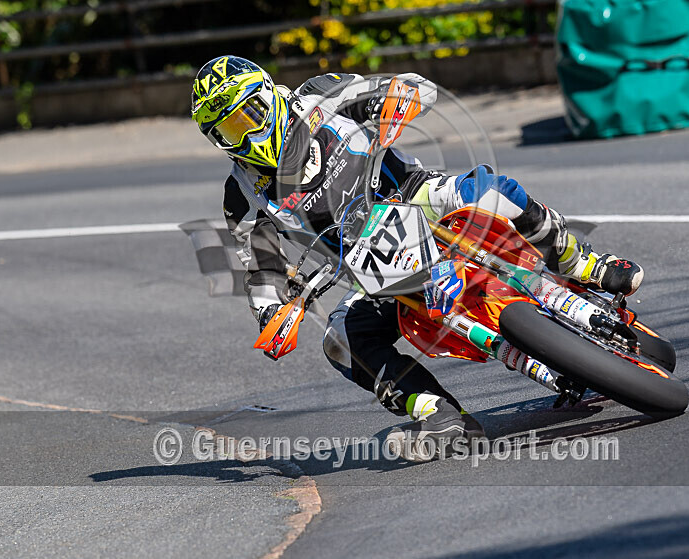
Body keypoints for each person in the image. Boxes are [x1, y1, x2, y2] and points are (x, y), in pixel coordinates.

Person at [191, 55, 644, 458]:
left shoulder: (318, 95)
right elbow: (260, 267)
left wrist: (398, 97)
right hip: (365, 267)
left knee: (491, 192)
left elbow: (396, 87)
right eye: (230, 130)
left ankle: (583, 265)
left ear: (269, 96)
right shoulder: (242, 195)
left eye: (249, 114)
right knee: (339, 340)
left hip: (413, 196)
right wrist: (272, 314)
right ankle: (442, 416)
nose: (247, 134)